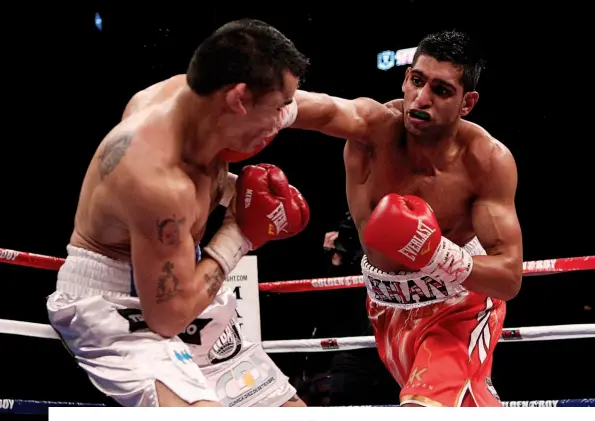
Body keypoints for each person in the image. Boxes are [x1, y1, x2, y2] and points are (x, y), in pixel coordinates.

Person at [46, 19, 311, 408]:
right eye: (278, 108)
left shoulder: (211, 108)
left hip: (180, 286)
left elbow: (339, 114)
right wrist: (241, 233)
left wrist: (396, 121)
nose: (281, 119)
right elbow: (166, 318)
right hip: (115, 306)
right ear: (240, 99)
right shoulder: (156, 175)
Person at [290, 30, 523, 407]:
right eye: (416, 81)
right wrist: (244, 101)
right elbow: (323, 109)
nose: (421, 98)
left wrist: (436, 253)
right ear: (405, 78)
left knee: (421, 407)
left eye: (442, 90)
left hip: (457, 309)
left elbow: (509, 277)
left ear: (468, 102)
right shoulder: (373, 128)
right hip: (384, 308)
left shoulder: (485, 161)